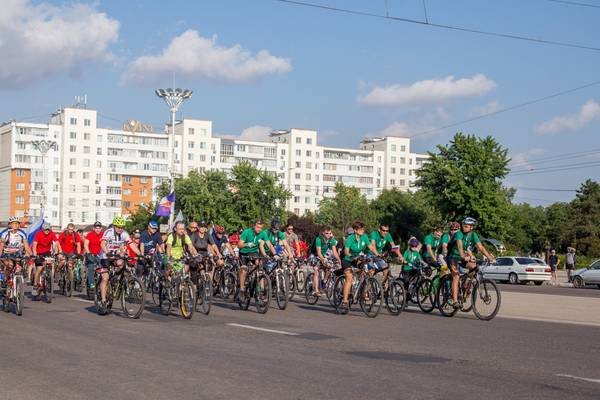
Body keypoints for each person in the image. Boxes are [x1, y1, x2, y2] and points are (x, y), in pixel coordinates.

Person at [446, 217, 495, 308]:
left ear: (471, 227)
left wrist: (489, 257)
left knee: (474, 267)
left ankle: (465, 285)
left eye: (466, 226)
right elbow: (460, 246)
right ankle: (454, 301)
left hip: (462, 257)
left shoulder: (473, 234)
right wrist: (463, 256)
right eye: (463, 225)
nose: (463, 227)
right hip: (452, 257)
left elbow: (480, 247)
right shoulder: (459, 233)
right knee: (456, 276)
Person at [97, 216, 135, 310]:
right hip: (105, 257)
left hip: (115, 256)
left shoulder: (124, 234)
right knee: (105, 278)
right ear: (114, 226)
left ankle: (115, 279)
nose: (120, 229)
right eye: (118, 227)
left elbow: (131, 244)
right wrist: (107, 252)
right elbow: (102, 243)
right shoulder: (108, 232)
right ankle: (103, 300)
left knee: (122, 263)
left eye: (122, 227)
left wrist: (140, 254)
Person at [340, 221, 378, 312]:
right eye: (360, 229)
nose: (363, 230)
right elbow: (346, 251)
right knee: (349, 278)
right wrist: (351, 256)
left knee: (369, 269)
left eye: (363, 229)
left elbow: (371, 247)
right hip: (347, 259)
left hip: (357, 259)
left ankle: (361, 289)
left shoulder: (364, 237)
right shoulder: (350, 238)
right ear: (355, 230)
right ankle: (345, 300)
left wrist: (378, 255)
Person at [237, 220, 269, 301]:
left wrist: (274, 253)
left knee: (259, 267)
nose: (259, 229)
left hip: (253, 252)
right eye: (257, 227)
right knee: (244, 269)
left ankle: (260, 289)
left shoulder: (263, 233)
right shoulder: (247, 232)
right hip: (243, 253)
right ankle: (241, 289)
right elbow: (239, 245)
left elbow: (269, 244)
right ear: (254, 226)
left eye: (261, 228)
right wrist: (247, 244)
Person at [0, 216, 31, 289]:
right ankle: (5, 280)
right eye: (14, 223)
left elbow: (26, 246)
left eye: (17, 223)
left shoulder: (22, 233)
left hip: (17, 253)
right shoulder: (5, 233)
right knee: (10, 265)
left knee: (19, 266)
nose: (16, 225)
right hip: (7, 253)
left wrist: (31, 254)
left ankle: (17, 284)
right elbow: (1, 246)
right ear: (10, 225)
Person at [32, 222, 61, 296]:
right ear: (43, 229)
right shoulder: (38, 234)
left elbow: (57, 243)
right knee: (39, 268)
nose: (47, 231)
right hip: (39, 252)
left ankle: (49, 278)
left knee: (50, 264)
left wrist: (60, 252)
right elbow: (34, 245)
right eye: (45, 230)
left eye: (48, 230)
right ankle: (35, 284)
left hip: (47, 252)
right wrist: (35, 254)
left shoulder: (52, 233)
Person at [311, 227, 341, 296]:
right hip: (315, 255)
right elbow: (318, 252)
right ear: (323, 233)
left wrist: (339, 260)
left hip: (324, 255)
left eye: (330, 233)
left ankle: (324, 282)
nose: (328, 235)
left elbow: (334, 251)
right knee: (316, 270)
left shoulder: (332, 240)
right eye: (326, 233)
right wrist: (323, 259)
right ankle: (316, 290)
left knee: (329, 267)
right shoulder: (319, 239)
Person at [84, 221, 104, 290]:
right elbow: (86, 244)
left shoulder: (103, 235)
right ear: (93, 228)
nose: (97, 229)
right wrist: (88, 253)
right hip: (91, 254)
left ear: (101, 228)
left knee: (104, 268)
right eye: (96, 228)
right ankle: (91, 283)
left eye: (99, 228)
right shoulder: (90, 234)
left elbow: (106, 244)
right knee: (91, 267)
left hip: (100, 255)